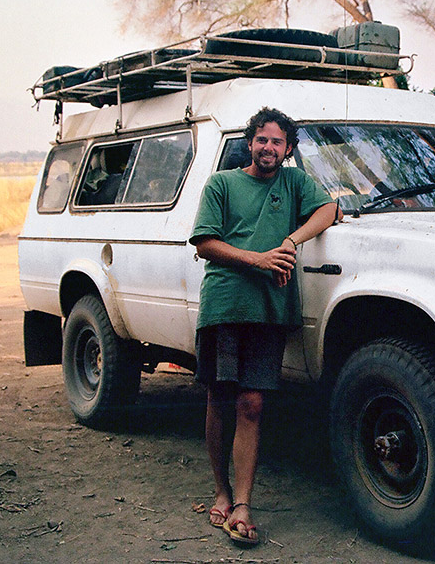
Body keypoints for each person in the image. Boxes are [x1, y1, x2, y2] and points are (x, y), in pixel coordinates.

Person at [189, 107, 339, 545]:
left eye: (277, 141)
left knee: (252, 404)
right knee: (220, 398)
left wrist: (291, 240)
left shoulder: (294, 182)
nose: (268, 147)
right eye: (261, 139)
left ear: (287, 148)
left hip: (270, 309)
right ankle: (220, 490)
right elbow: (204, 242)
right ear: (249, 143)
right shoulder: (222, 183)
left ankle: (243, 502)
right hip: (225, 304)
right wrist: (260, 259)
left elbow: (329, 208)